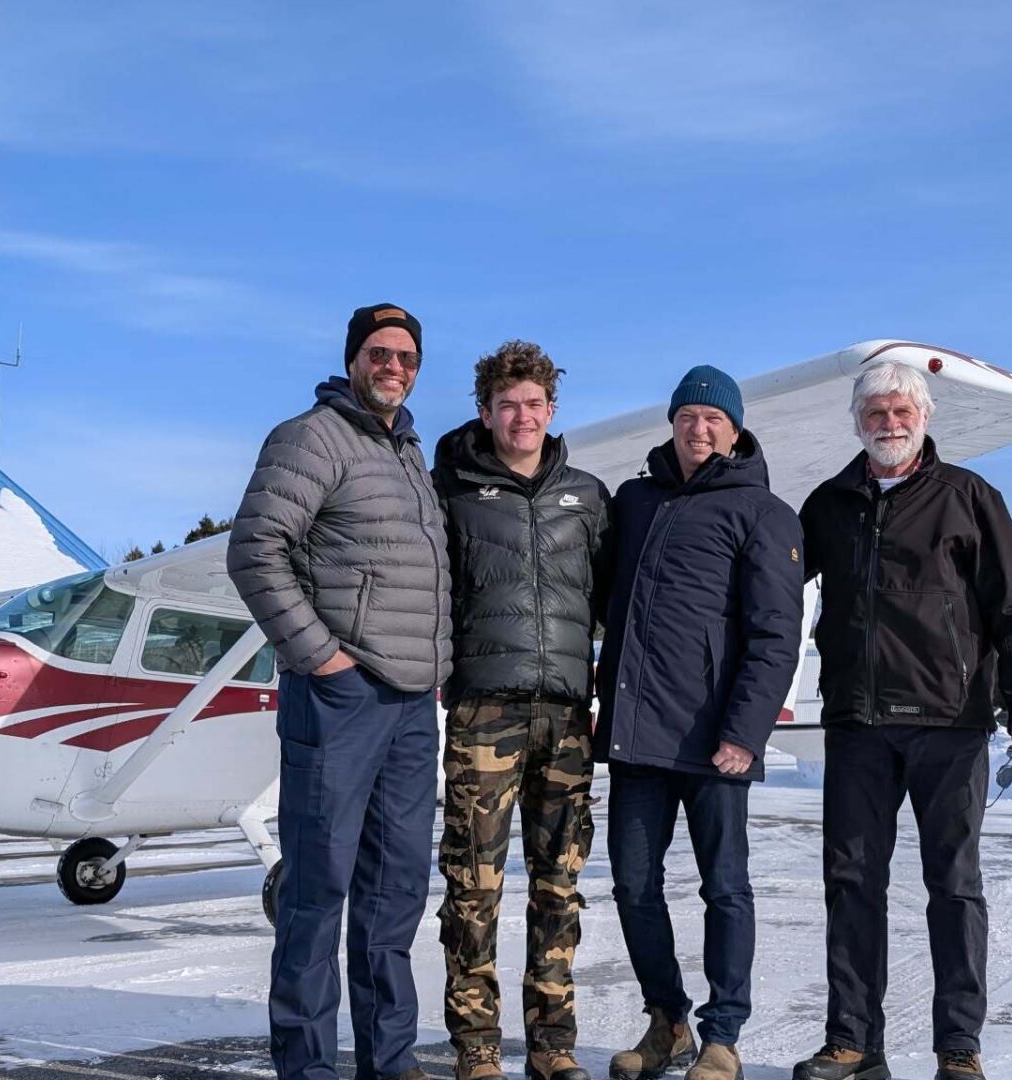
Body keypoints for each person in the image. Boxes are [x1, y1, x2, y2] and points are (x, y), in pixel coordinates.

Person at [789, 361, 1012, 1080]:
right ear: (857, 422)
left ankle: (958, 1048)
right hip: (857, 723)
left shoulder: (968, 497)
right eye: (875, 412)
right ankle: (853, 1043)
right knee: (851, 882)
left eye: (901, 411)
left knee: (954, 885)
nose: (889, 423)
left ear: (926, 417)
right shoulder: (829, 504)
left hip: (950, 721)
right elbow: (773, 591)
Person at [228, 303, 452, 1080]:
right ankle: (307, 1066)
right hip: (340, 700)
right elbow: (255, 549)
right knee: (318, 892)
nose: (394, 367)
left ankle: (389, 1059)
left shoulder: (409, 452)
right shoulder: (311, 437)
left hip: (411, 705)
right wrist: (321, 659)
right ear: (354, 358)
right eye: (380, 353)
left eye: (407, 358)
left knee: (395, 894)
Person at [596, 365, 805, 1080]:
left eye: (714, 418)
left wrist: (745, 732)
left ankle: (723, 1036)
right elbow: (601, 599)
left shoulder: (763, 512)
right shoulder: (635, 502)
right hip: (638, 737)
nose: (699, 428)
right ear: (672, 424)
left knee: (725, 888)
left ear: (736, 430)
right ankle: (667, 1023)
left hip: (716, 742)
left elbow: (776, 633)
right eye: (687, 415)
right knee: (632, 886)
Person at [431, 340, 611, 1080]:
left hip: (566, 717)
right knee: (473, 885)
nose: (522, 416)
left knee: (558, 886)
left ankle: (552, 1043)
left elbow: (611, 598)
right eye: (508, 404)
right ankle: (476, 1046)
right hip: (484, 712)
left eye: (534, 403)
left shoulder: (588, 497)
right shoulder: (453, 493)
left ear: (552, 409)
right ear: (485, 412)